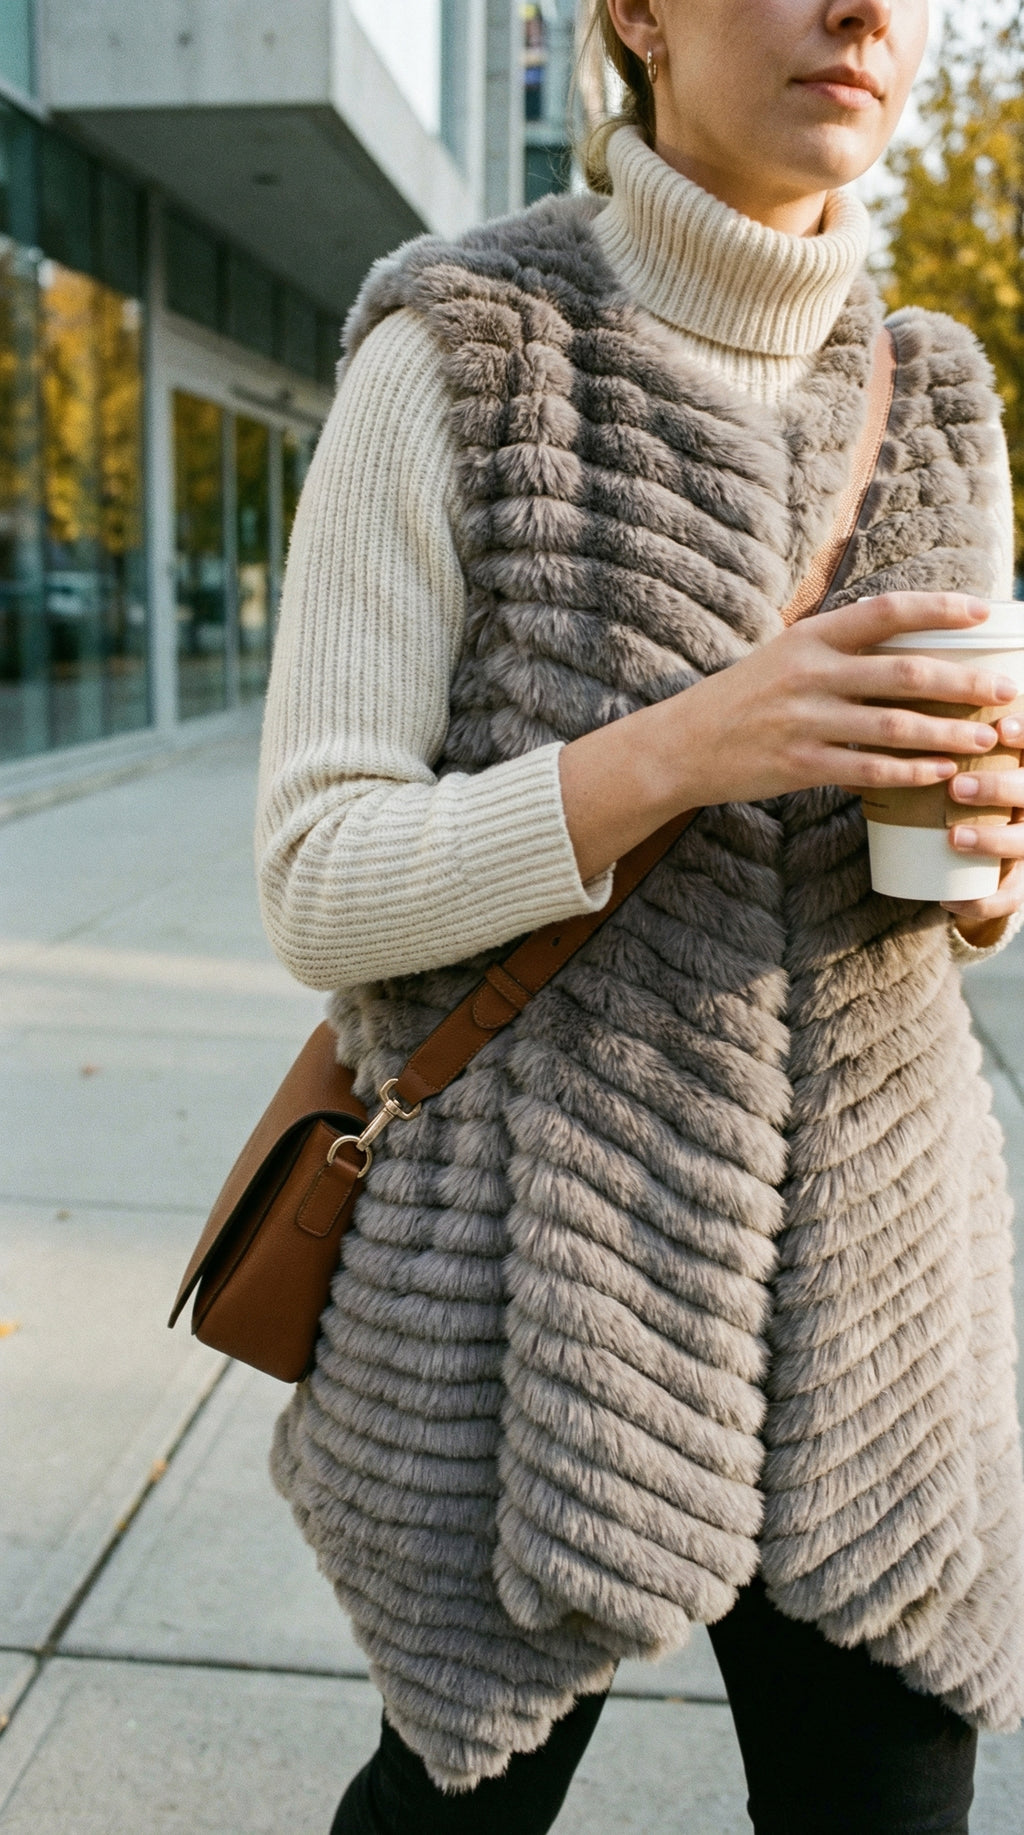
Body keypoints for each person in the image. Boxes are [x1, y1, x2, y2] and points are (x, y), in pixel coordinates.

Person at [255, 2, 1024, 1830]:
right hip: (532, 1310)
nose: (864, 13)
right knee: (458, 1809)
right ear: (634, 16)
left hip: (876, 1304)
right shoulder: (463, 349)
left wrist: (995, 852)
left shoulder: (940, 397)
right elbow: (319, 879)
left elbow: (944, 912)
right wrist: (677, 751)